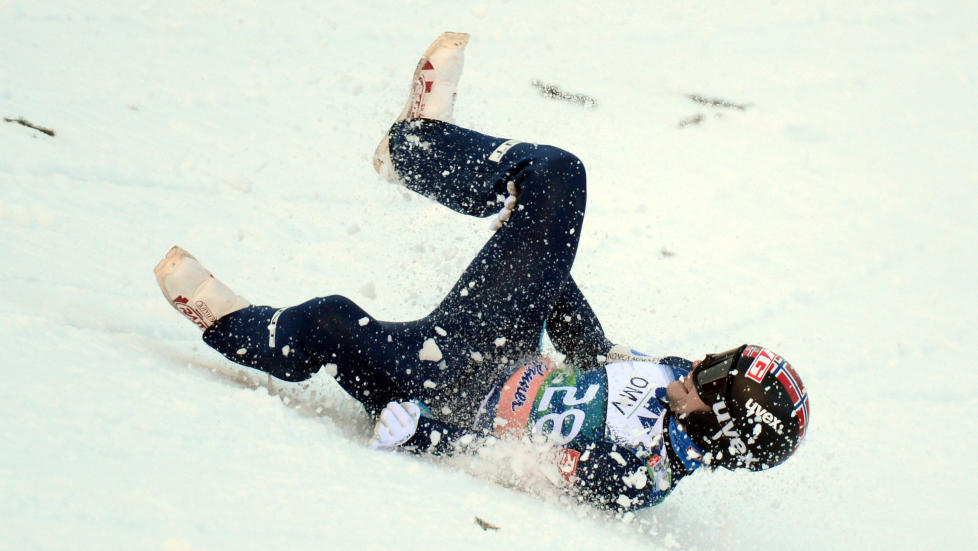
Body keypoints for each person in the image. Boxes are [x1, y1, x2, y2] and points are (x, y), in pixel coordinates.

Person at [153, 32, 810, 511]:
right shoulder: (675, 375)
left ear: (721, 425)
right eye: (726, 354)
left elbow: (517, 465)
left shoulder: (638, 473)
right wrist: (538, 264)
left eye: (719, 373)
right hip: (498, 343)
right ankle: (416, 147)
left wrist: (422, 436)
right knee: (558, 175)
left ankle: (228, 322)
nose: (706, 361)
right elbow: (589, 352)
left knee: (331, 318)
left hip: (443, 390)